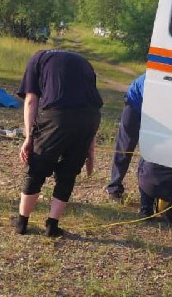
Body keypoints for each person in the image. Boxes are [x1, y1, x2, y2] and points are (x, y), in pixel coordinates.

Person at [13, 49, 103, 237]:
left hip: (58, 117)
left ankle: (22, 222)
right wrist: (90, 151)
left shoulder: (37, 60)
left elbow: (31, 101)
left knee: (37, 167)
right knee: (68, 173)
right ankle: (52, 226)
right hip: (90, 119)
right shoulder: (84, 63)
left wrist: (29, 138)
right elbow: (91, 104)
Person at [106, 74, 145, 210]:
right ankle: (114, 187)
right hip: (134, 103)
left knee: (150, 150)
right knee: (125, 145)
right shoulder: (150, 80)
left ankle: (148, 194)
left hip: (155, 107)